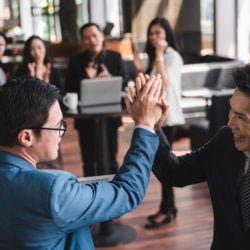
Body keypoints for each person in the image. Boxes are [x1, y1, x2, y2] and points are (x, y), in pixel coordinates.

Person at [0, 74, 168, 249]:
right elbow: (128, 192)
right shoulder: (53, 190)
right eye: (57, 126)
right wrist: (146, 125)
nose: (61, 134)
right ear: (26, 137)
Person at [144, 64, 250, 249]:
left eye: (241, 117)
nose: (230, 122)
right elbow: (174, 172)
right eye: (231, 110)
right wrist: (152, 126)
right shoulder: (225, 141)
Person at [134, 17, 185, 229]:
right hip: (157, 117)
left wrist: (159, 56)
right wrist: (139, 68)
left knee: (165, 162)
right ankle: (167, 207)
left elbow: (164, 83)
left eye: (159, 33)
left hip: (168, 117)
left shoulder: (172, 56)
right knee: (161, 162)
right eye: (151, 33)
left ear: (167, 35)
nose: (154, 37)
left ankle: (169, 209)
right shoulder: (155, 58)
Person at [66, 22, 126, 177]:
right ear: (83, 41)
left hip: (110, 115)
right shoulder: (76, 61)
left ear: (101, 36)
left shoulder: (115, 57)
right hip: (85, 117)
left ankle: (113, 193)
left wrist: (110, 78)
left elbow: (125, 83)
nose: (91, 40)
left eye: (94, 35)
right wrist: (88, 80)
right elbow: (69, 89)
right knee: (88, 161)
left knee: (111, 158)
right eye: (87, 37)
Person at [15, 35, 62, 169]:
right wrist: (31, 78)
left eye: (39, 48)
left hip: (51, 120)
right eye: (32, 49)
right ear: (28, 52)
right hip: (30, 120)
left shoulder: (52, 70)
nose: (36, 52)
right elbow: (21, 99)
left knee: (54, 153)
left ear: (45, 49)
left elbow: (59, 97)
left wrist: (45, 81)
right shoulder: (22, 71)